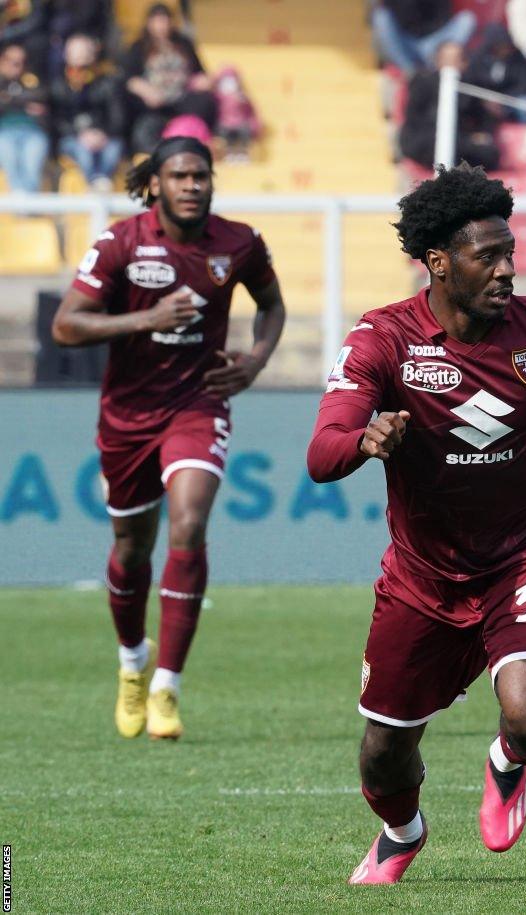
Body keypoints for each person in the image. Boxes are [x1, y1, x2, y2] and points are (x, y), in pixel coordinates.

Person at [306, 164, 526, 884]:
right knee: (383, 754)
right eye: (487, 256)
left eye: (509, 252)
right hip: (424, 578)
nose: (507, 269)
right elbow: (320, 453)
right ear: (437, 263)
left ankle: (508, 759)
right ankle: (401, 832)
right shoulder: (382, 340)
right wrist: (363, 441)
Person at [51, 136, 286, 741]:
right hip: (128, 413)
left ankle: (166, 687)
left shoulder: (238, 243)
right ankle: (132, 662)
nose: (192, 185)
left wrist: (255, 362)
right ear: (154, 184)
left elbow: (271, 305)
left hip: (199, 403)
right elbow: (66, 325)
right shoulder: (121, 243)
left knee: (188, 522)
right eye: (179, 176)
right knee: (131, 550)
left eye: (200, 175)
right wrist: (146, 319)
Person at [122, 3, 216, 154]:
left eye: (165, 21)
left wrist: (202, 81)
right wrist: (145, 89)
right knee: (145, 128)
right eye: (157, 21)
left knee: (205, 101)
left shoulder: (184, 44)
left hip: (182, 99)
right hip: (154, 105)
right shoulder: (138, 47)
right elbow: (128, 78)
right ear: (149, 23)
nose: (162, 26)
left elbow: (199, 72)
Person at [399, 42, 500, 171]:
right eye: (448, 59)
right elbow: (417, 121)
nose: (453, 64)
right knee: (439, 144)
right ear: (438, 61)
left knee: (488, 153)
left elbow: (482, 118)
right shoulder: (422, 82)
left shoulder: (468, 85)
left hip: (460, 142)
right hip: (425, 139)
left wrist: (483, 133)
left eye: (457, 59)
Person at [50, 33, 125, 190]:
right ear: (66, 56)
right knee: (82, 152)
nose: (80, 60)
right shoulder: (59, 85)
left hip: (103, 137)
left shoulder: (107, 83)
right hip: (72, 138)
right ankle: (95, 184)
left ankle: (99, 182)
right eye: (76, 54)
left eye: (84, 54)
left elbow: (117, 116)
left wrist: (102, 134)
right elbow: (57, 120)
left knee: (113, 149)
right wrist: (80, 135)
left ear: (93, 55)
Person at [371, 0, 477, 74]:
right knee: (380, 17)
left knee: (467, 19)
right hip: (407, 42)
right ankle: (410, 72)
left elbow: (443, 16)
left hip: (435, 43)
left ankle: (437, 67)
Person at [0, 41, 48, 192]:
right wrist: (23, 104)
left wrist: (9, 99)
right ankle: (21, 201)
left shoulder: (32, 80)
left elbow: (42, 96)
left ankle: (26, 203)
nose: (18, 65)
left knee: (32, 163)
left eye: (21, 62)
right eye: (13, 61)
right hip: (5, 132)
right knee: (10, 157)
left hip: (33, 132)